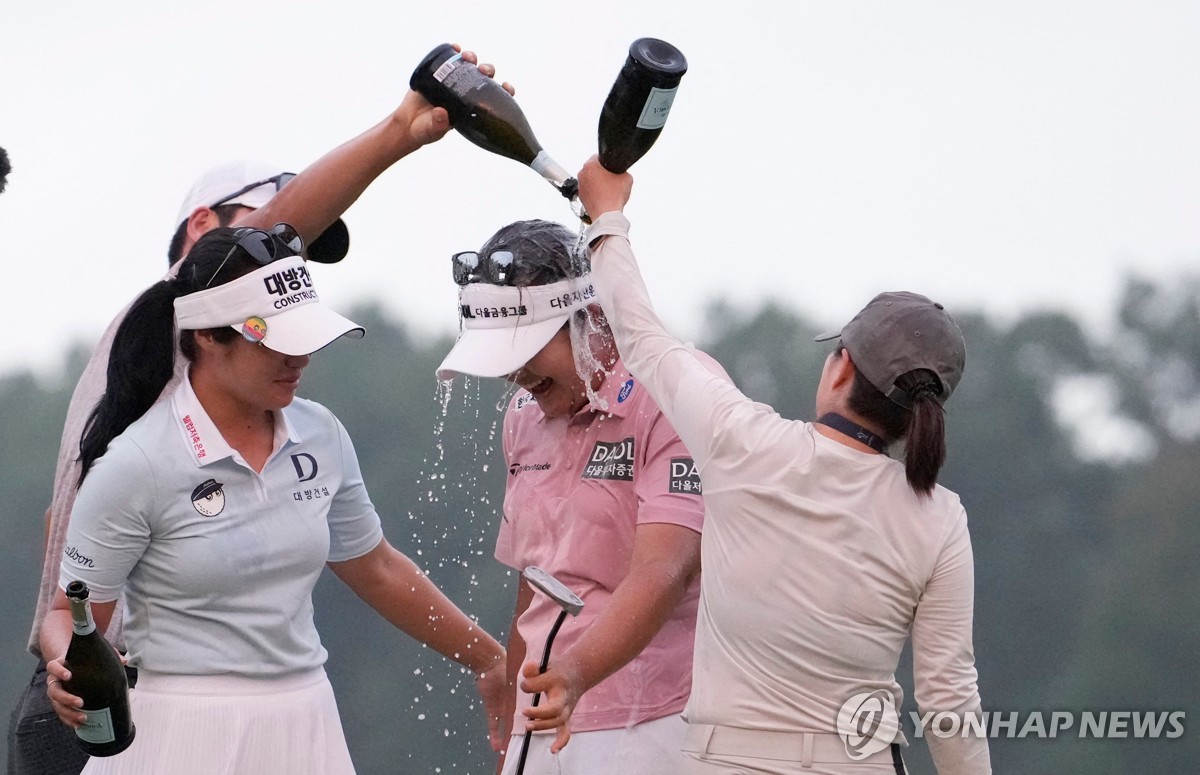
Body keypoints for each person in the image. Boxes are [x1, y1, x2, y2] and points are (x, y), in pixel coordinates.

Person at [9, 46, 511, 774]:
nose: (282, 251)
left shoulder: (313, 428)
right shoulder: (154, 331)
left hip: (287, 719)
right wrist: (399, 131)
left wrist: (484, 653)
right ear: (202, 234)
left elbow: (373, 567)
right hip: (112, 707)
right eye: (264, 233)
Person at [571, 156, 992, 775]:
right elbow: (948, 700)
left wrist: (608, 219)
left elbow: (642, 336)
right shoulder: (940, 518)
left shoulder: (742, 441)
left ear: (840, 367)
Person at [436, 219, 729, 775]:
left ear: (592, 318)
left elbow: (664, 572)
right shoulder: (523, 416)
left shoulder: (675, 390)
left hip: (660, 717)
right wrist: (520, 712)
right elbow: (536, 580)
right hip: (547, 714)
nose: (514, 374)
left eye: (526, 347)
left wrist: (574, 673)